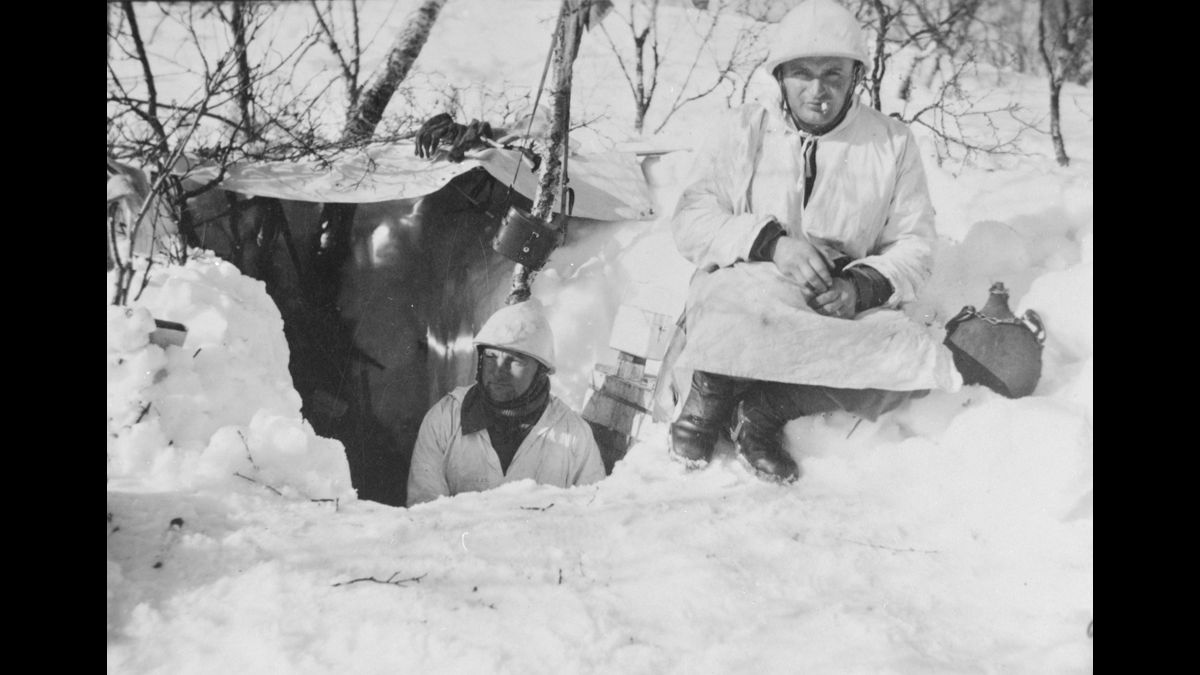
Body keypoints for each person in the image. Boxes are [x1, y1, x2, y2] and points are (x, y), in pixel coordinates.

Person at [667, 0, 961, 482]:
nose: (818, 91)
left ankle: (761, 411)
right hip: (752, 287)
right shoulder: (744, 129)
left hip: (836, 301)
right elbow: (691, 220)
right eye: (802, 73)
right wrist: (771, 244)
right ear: (780, 76)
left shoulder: (891, 143)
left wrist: (861, 287)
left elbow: (916, 245)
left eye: (834, 75)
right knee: (736, 304)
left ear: (855, 78)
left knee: (912, 355)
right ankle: (711, 395)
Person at [407, 299, 606, 506]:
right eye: (491, 357)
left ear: (541, 371)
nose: (499, 371)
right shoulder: (444, 419)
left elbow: (591, 518)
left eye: (515, 360)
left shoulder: (573, 434)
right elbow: (424, 514)